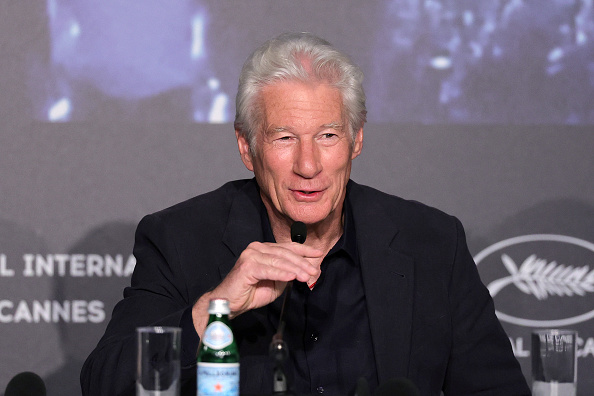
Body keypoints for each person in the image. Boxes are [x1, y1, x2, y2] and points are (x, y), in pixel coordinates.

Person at [81, 32, 530, 396]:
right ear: (246, 147)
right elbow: (105, 383)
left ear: (356, 141)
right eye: (284, 139)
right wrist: (216, 310)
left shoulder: (431, 242)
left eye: (328, 136)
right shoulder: (180, 238)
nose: (308, 165)